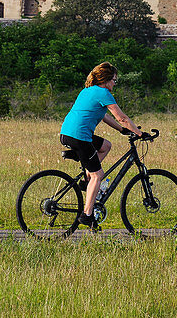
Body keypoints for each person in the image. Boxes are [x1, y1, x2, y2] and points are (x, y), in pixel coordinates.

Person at [59, 62, 142, 230]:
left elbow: (105, 117)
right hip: (80, 137)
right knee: (98, 175)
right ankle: (87, 215)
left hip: (67, 133)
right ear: (106, 80)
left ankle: (86, 181)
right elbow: (122, 118)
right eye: (114, 80)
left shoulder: (87, 91)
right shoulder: (103, 93)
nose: (114, 84)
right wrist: (140, 134)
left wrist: (122, 131)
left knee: (105, 146)